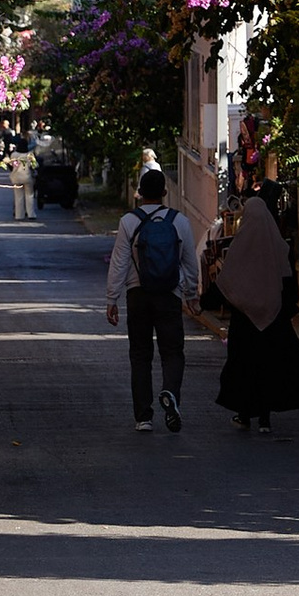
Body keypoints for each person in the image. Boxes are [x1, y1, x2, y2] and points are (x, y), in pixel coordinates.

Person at [206, 183, 299, 435]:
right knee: (269, 368)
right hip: (273, 320)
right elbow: (288, 283)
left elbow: (227, 280)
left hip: (244, 320)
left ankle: (244, 413)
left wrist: (203, 303)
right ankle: (264, 418)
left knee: (244, 367)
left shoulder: (241, 245)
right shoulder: (280, 247)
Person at [105, 166, 199, 431]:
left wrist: (112, 298)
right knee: (172, 352)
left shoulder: (128, 221)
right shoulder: (179, 221)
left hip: (138, 295)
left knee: (140, 355)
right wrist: (191, 296)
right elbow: (190, 263)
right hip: (169, 295)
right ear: (165, 193)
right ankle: (171, 394)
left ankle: (143, 416)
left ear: (139, 193)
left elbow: (119, 262)